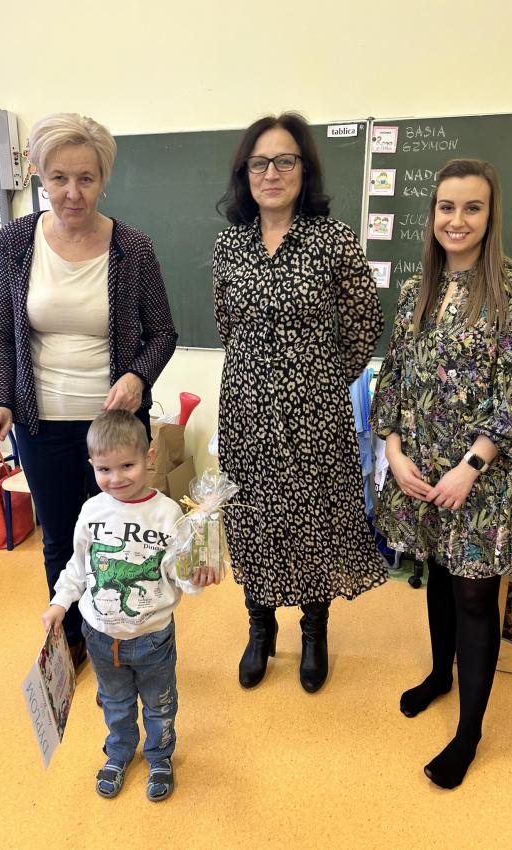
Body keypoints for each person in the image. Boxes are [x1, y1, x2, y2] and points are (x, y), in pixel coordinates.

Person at [0, 113, 178, 669]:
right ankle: (70, 637)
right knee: (61, 538)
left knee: (122, 537)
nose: (72, 192)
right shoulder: (15, 241)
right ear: (40, 176)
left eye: (86, 178)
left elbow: (163, 333)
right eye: (59, 178)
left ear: (103, 179)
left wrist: (137, 377)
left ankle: (127, 630)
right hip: (40, 423)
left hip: (115, 428)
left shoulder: (133, 247)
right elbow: (0, 330)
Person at [370, 158, 512, 788]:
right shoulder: (419, 287)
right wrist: (393, 452)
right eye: (447, 207)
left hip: (482, 479)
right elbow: (393, 376)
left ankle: (469, 733)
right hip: (420, 472)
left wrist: (469, 468)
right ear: (433, 213)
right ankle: (440, 675)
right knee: (438, 577)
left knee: (473, 595)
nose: (458, 220)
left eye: (472, 207)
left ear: (490, 215)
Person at [213, 112, 386, 694]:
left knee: (313, 517)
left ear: (304, 169)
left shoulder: (332, 239)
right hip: (245, 410)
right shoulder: (229, 244)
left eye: (284, 160)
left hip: (315, 411)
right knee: (253, 515)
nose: (272, 173)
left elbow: (364, 321)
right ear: (245, 173)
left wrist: (321, 378)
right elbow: (227, 323)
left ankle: (314, 631)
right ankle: (259, 628)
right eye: (259, 162)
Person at [42, 410, 216, 801]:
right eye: (104, 469)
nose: (116, 478)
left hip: (153, 638)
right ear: (91, 464)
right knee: (116, 703)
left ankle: (159, 756)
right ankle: (119, 752)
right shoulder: (91, 511)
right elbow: (78, 566)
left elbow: (180, 573)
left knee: (159, 704)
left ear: (149, 456)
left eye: (127, 466)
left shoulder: (168, 514)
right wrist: (59, 603)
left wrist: (196, 579)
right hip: (100, 638)